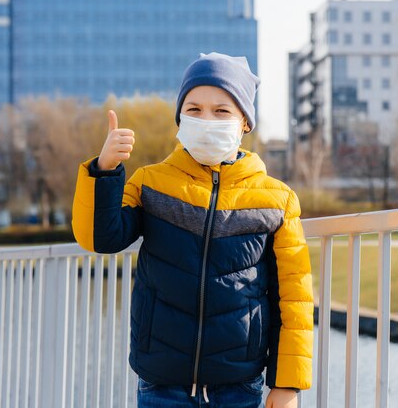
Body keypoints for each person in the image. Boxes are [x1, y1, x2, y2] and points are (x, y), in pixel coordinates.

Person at [72, 52, 313, 408]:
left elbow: (294, 298)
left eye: (221, 110)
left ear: (244, 122)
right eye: (194, 109)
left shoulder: (277, 200)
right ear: (180, 118)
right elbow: (99, 238)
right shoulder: (151, 183)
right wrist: (105, 170)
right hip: (162, 384)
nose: (206, 119)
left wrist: (288, 384)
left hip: (239, 384)